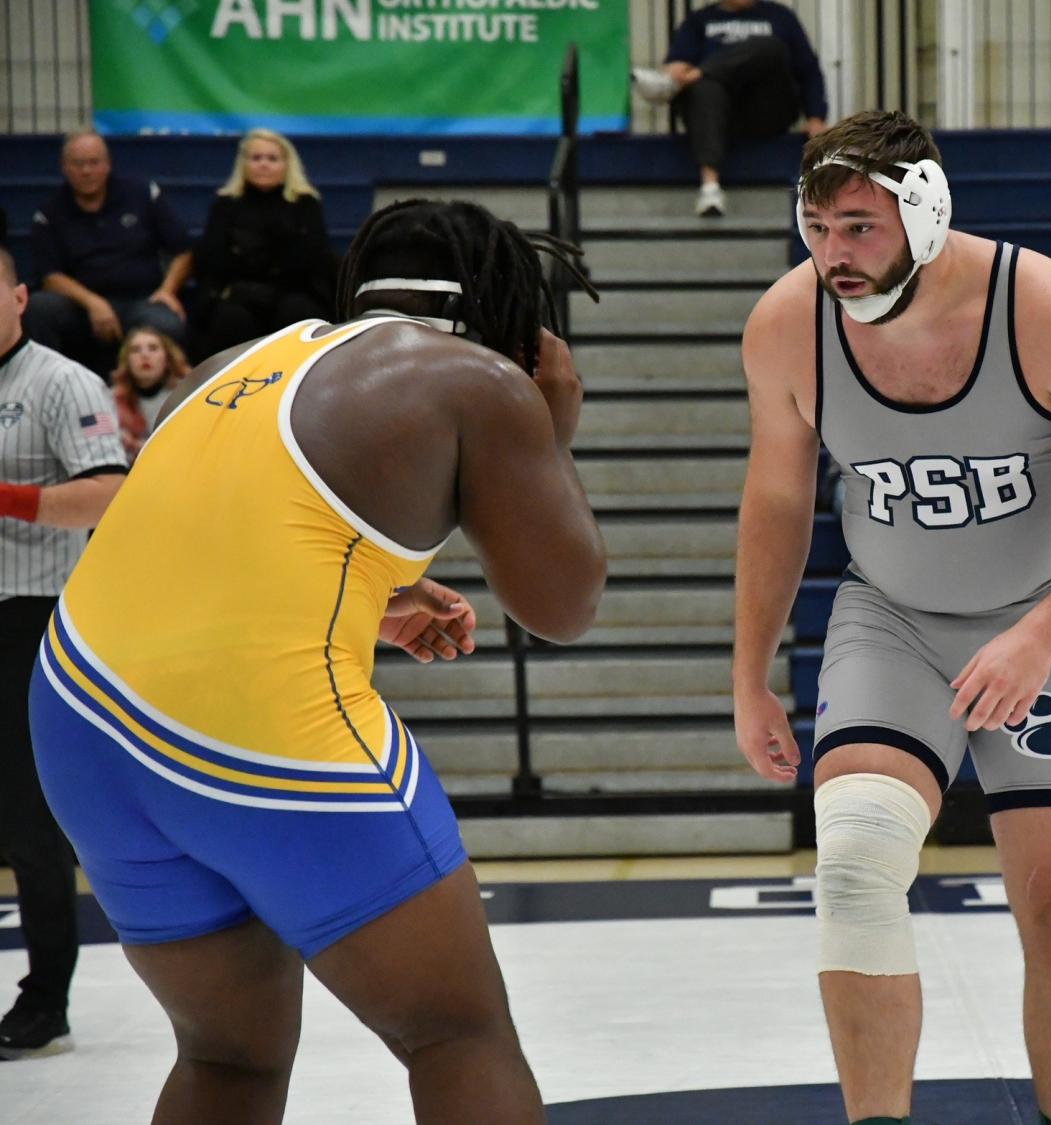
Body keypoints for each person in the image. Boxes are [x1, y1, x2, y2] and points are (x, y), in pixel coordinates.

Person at [26, 200, 607, 1121]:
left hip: (79, 711)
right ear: (506, 318)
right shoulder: (481, 379)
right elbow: (561, 606)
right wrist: (550, 424)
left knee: (229, 1053)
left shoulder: (234, 360)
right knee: (457, 1032)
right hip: (251, 730)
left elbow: (189, 542)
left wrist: (374, 600)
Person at [733, 110, 1051, 1125]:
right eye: (816, 228)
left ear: (926, 212)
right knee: (851, 865)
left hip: (1048, 622)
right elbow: (774, 502)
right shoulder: (785, 326)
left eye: (859, 227)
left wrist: (1040, 635)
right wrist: (750, 675)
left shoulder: (1048, 311)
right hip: (891, 618)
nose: (833, 255)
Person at [0, 245, 128, 1059]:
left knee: (26, 816)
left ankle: (46, 994)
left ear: (17, 297)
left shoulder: (61, 382)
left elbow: (110, 494)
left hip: (32, 616)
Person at [632, 0, 828, 217]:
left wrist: (816, 117)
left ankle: (703, 72)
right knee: (705, 87)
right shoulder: (700, 20)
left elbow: (809, 70)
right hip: (716, 115)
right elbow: (678, 65)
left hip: (767, 109)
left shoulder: (780, 17)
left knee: (770, 46)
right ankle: (710, 187)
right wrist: (676, 69)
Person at [24, 130, 191, 374]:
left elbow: (183, 250)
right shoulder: (50, 212)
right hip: (80, 306)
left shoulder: (142, 193)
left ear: (108, 164)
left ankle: (167, 405)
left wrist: (167, 290)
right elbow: (50, 277)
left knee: (166, 323)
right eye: (78, 164)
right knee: (38, 308)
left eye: (94, 162)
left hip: (142, 300)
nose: (87, 171)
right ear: (64, 167)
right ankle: (45, 387)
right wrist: (94, 303)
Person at [194, 128, 336, 357]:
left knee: (296, 314)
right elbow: (213, 258)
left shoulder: (306, 203)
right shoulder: (225, 204)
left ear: (287, 164)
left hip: (295, 291)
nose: (264, 164)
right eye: (256, 158)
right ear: (244, 163)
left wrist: (251, 254)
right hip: (240, 292)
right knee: (232, 317)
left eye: (272, 158)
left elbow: (313, 257)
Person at [110, 325, 191, 463]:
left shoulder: (187, 396)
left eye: (153, 348)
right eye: (135, 350)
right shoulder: (112, 400)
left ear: (167, 358)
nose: (144, 355)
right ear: (126, 361)